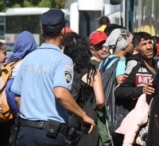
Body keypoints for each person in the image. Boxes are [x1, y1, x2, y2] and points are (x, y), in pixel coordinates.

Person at [10, 9, 95, 146]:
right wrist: (83, 115)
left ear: (42, 31)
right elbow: (61, 93)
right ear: (63, 31)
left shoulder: (27, 59)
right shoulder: (63, 61)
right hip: (50, 134)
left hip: (25, 132)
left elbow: (18, 97)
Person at [63, 33, 106, 146]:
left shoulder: (65, 70)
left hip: (68, 119)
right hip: (88, 122)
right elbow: (100, 101)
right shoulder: (93, 72)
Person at [115, 32, 156, 146]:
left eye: (150, 43)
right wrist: (141, 90)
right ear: (137, 48)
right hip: (137, 127)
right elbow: (119, 91)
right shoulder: (135, 66)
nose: (149, 47)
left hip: (157, 123)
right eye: (144, 44)